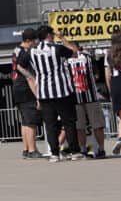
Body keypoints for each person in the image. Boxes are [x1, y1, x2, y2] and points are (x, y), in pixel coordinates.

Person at [17, 28, 77, 162]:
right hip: (62, 91)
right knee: (68, 122)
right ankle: (74, 151)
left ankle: (54, 153)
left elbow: (19, 66)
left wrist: (33, 77)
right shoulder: (57, 48)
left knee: (50, 125)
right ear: (50, 35)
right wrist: (62, 37)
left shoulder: (32, 51)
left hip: (44, 93)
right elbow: (74, 53)